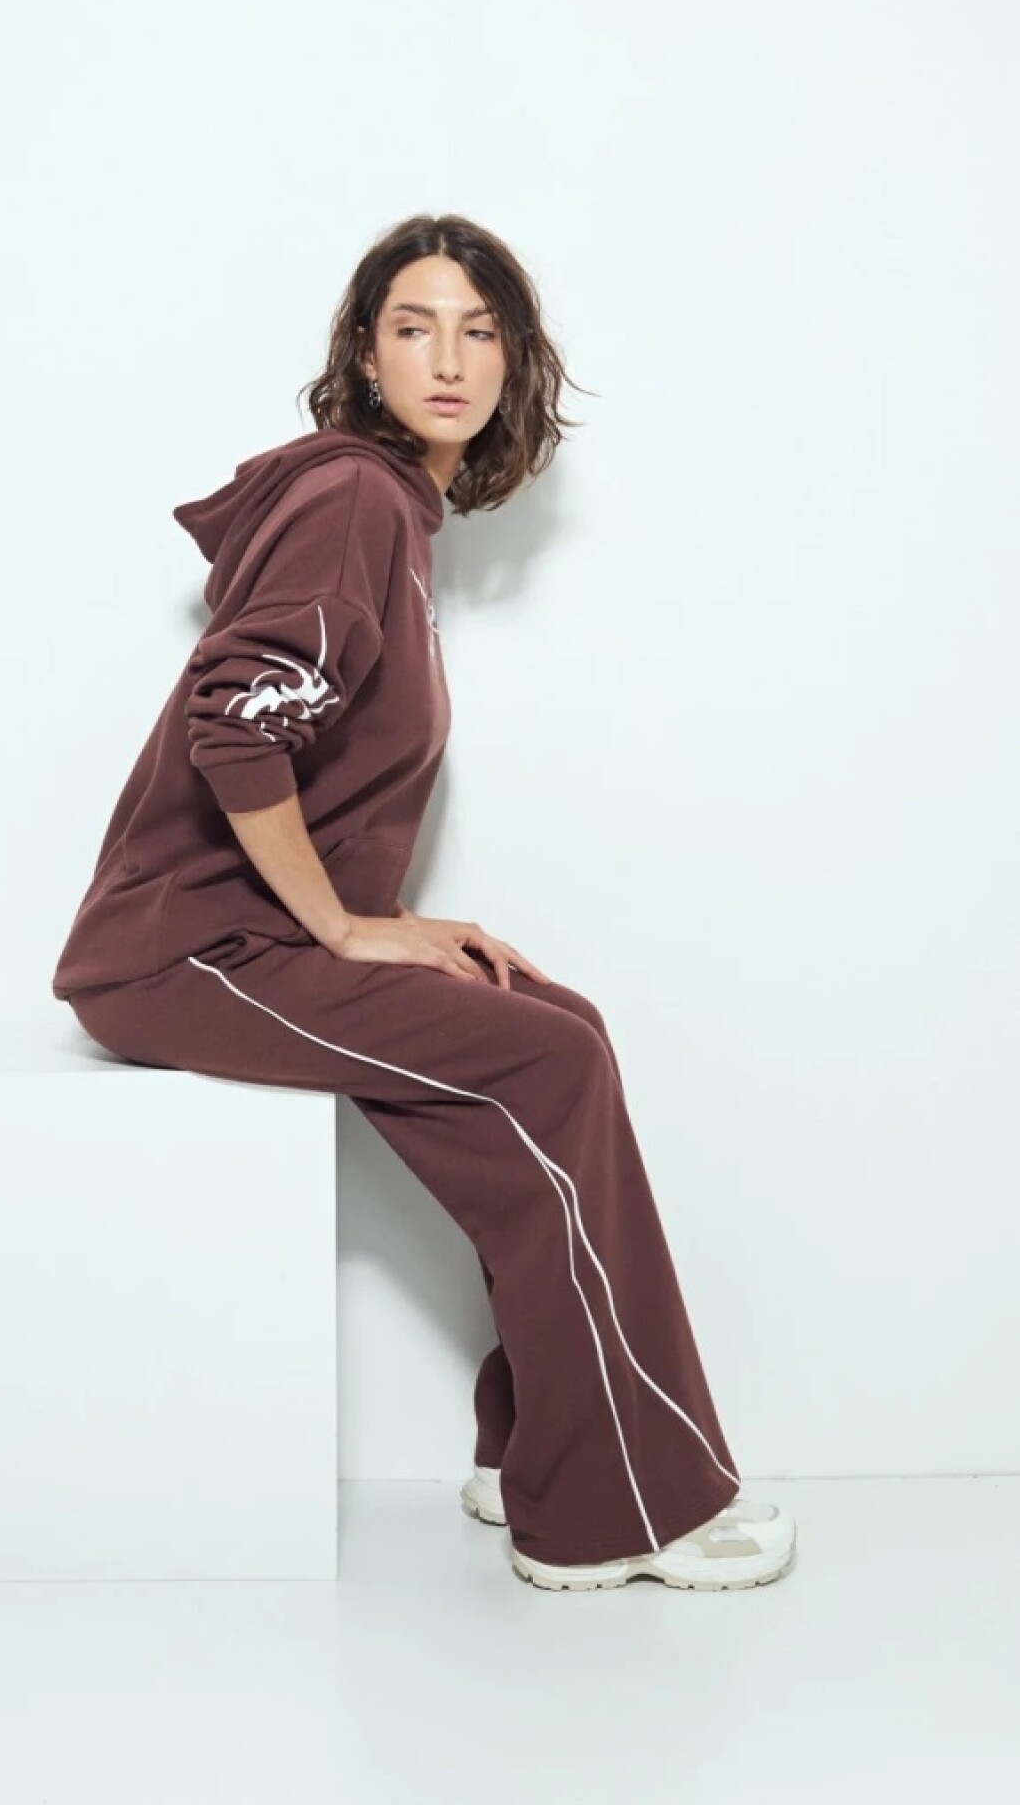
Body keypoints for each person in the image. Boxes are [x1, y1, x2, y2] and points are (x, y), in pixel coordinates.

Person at [51, 212, 797, 1592]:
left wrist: (379, 929)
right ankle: (613, 1516)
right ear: (364, 352)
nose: (448, 360)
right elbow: (238, 723)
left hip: (246, 941)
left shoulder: (397, 513)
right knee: (546, 1062)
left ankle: (543, 1452)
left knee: (550, 1022)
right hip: (183, 951)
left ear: (514, 362)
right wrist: (345, 929)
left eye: (479, 331)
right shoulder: (354, 499)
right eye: (413, 327)